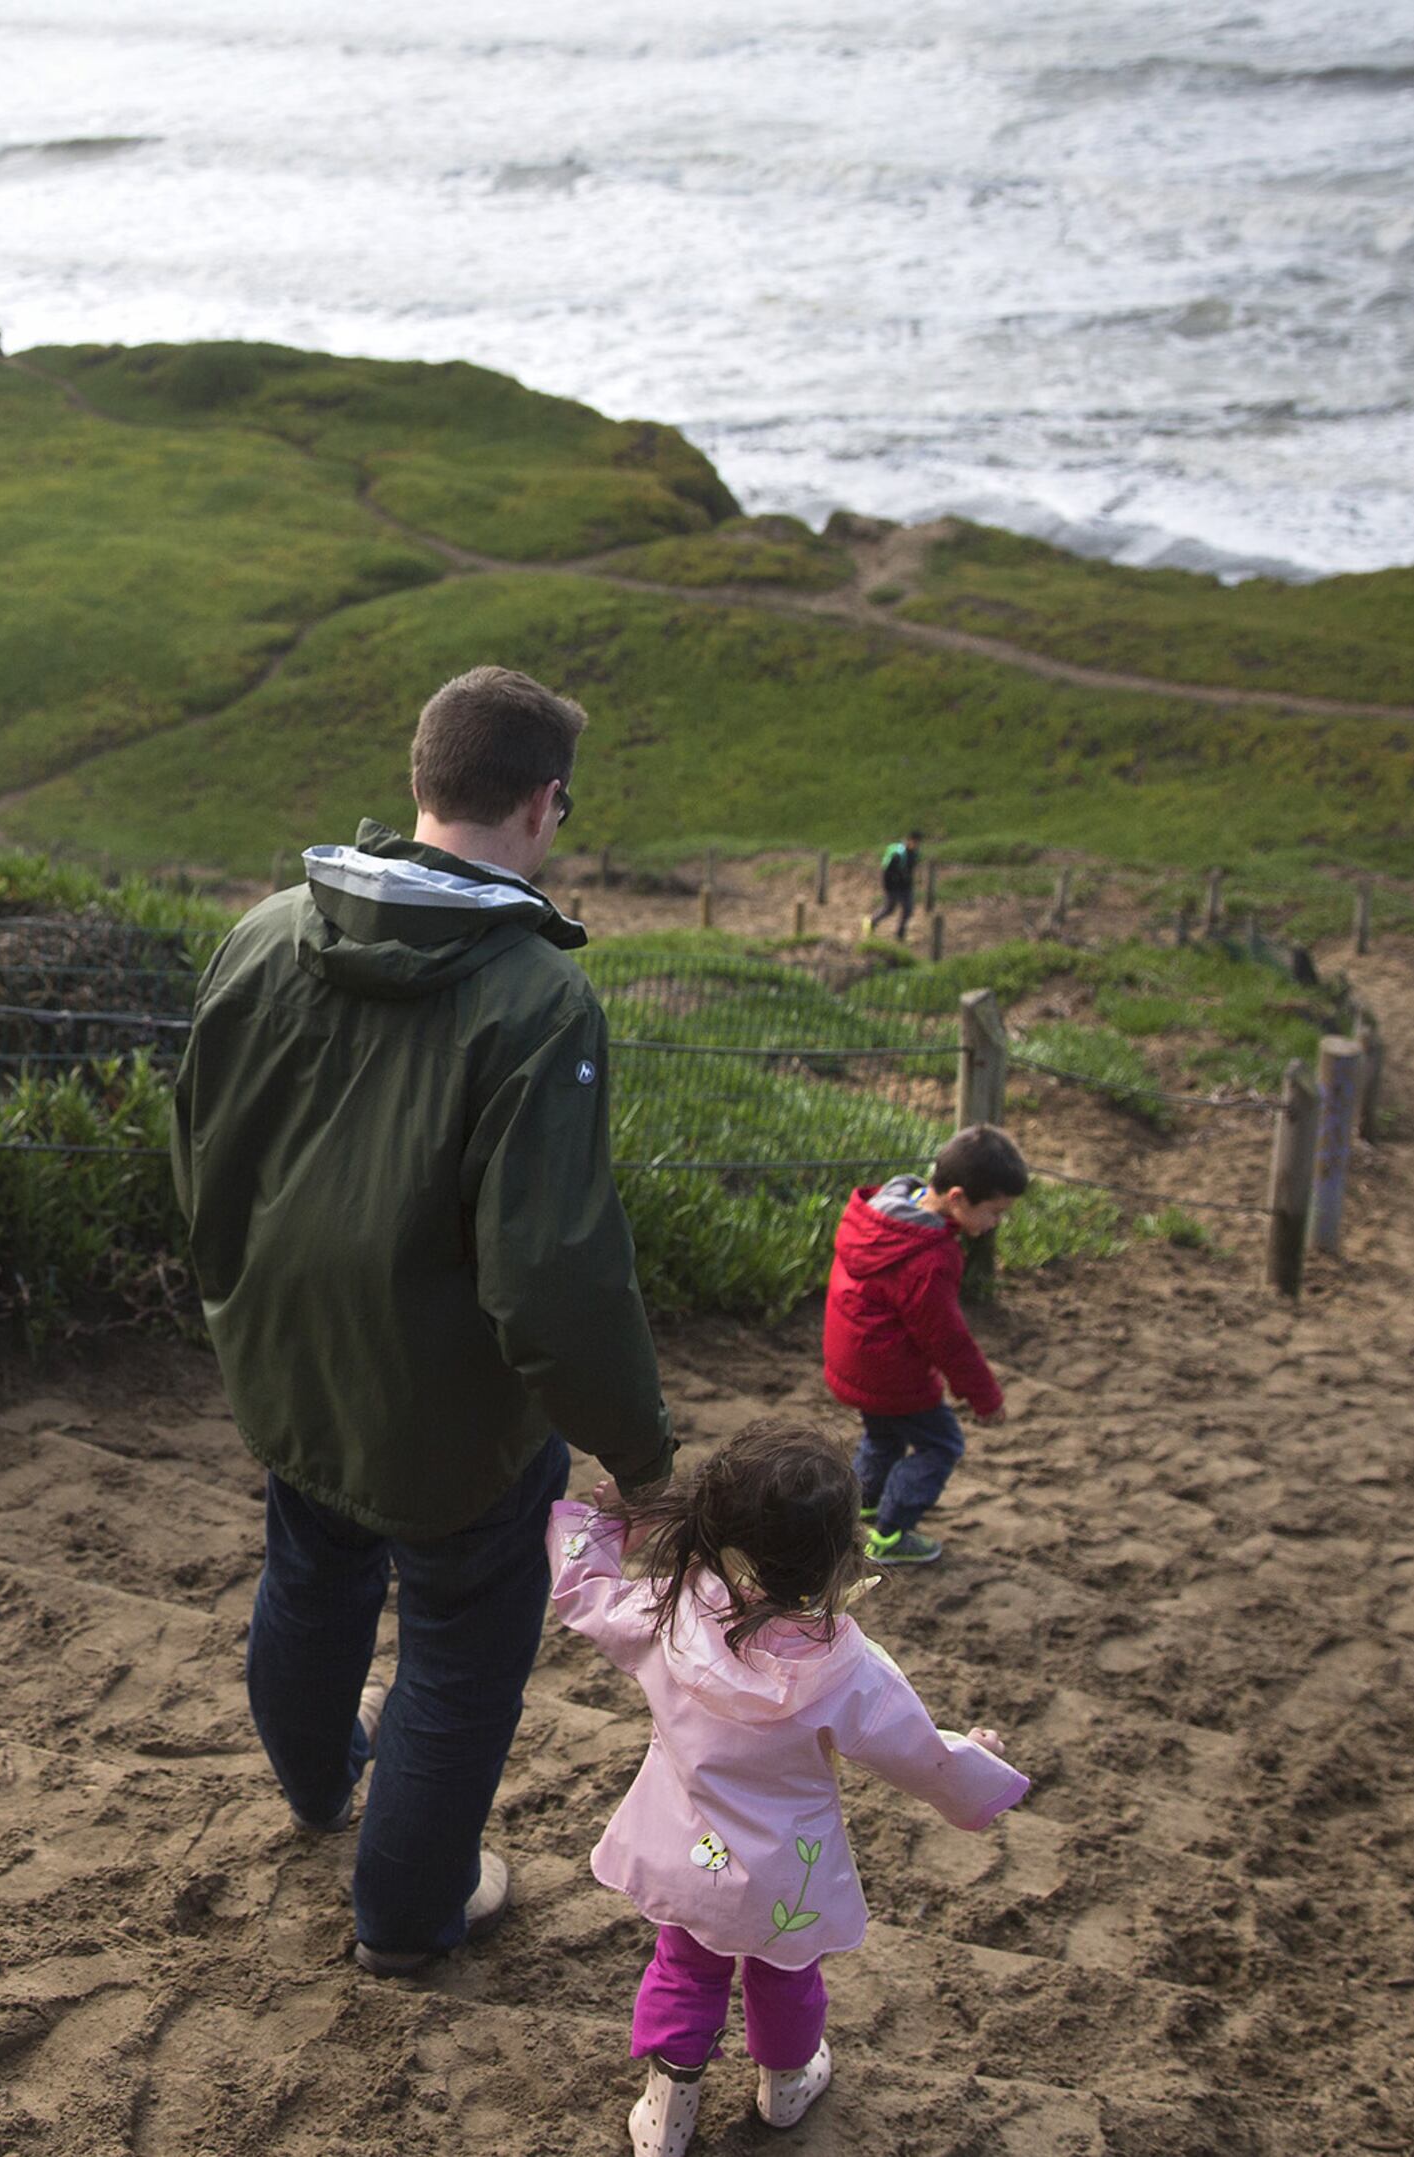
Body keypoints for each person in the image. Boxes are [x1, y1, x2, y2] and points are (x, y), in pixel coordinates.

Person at [173, 663, 676, 1979]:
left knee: (311, 1571)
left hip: (290, 1366)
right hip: (454, 1427)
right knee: (455, 1656)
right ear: (545, 804)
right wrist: (644, 1453)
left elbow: (203, 1143)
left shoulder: (269, 930)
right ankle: (405, 1917)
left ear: (421, 779)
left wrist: (239, 1306)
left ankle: (316, 1787)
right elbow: (556, 1282)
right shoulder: (537, 1000)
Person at [546, 1422, 1026, 2154]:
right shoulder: (852, 1669)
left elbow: (583, 1591)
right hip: (786, 1876)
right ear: (839, 1558)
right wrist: (978, 1758)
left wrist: (614, 1523)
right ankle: (785, 2087)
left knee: (684, 1966)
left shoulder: (669, 1609)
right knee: (788, 1978)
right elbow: (922, 1757)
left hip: (689, 1851)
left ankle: (667, 2110)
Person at [824, 1124, 1023, 1567]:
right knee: (941, 1444)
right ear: (956, 1198)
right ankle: (891, 1533)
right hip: (893, 1374)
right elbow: (947, 1340)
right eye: (994, 1212)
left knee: (883, 1435)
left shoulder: (882, 1212)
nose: (996, 1223)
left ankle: (860, 1507)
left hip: (853, 1358)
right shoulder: (929, 1258)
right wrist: (985, 1396)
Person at [865, 831, 921, 940]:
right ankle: (871, 921)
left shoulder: (915, 853)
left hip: (906, 886)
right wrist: (888, 888)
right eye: (915, 842)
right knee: (889, 908)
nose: (916, 845)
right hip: (892, 885)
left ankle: (900, 934)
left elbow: (910, 869)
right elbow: (886, 872)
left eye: (918, 843)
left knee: (908, 909)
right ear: (909, 840)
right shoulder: (898, 854)